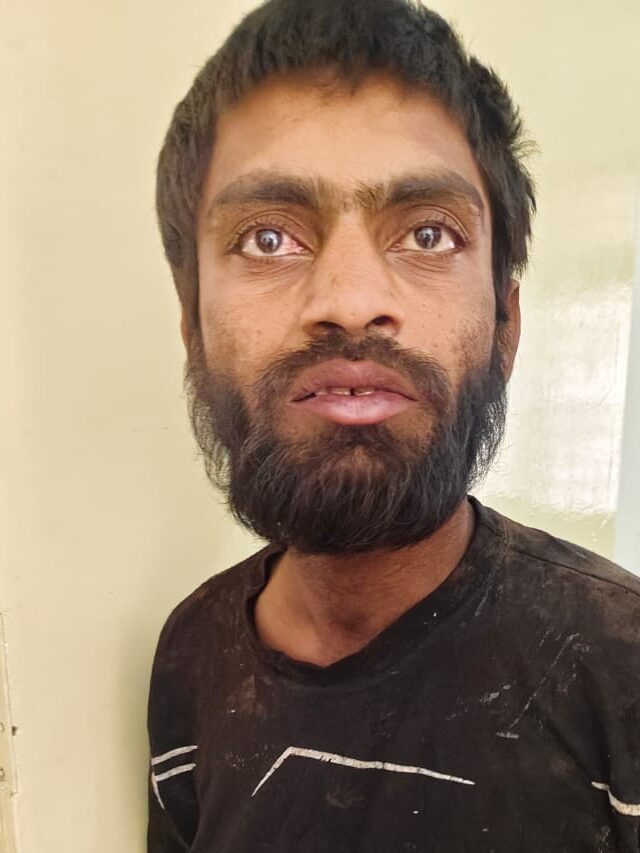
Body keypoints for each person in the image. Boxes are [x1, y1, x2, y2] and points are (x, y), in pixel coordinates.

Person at [147, 1, 640, 850]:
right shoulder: (188, 657)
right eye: (268, 238)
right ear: (193, 328)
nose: (350, 301)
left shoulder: (622, 666)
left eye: (428, 233)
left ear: (505, 325)